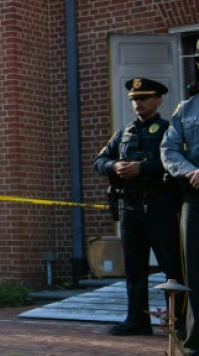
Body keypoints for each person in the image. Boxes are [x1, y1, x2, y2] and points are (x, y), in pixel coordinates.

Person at [95, 77, 183, 336]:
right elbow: (99, 160)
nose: (138, 103)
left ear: (158, 100)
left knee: (172, 267)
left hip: (160, 206)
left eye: (143, 98)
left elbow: (175, 162)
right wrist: (114, 166)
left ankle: (177, 321)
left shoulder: (169, 130)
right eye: (134, 99)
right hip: (130, 209)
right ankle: (137, 320)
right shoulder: (124, 133)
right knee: (134, 268)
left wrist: (142, 168)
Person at [162, 81, 199, 355]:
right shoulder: (186, 108)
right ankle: (195, 343)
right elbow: (169, 149)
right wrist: (189, 171)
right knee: (195, 271)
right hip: (195, 195)